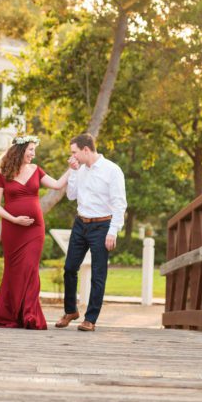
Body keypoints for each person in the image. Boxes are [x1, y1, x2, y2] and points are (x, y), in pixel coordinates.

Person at [0, 135, 70, 329]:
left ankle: (29, 315)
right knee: (14, 270)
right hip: (12, 229)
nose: (33, 154)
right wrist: (14, 219)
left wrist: (72, 168)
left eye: (34, 150)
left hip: (34, 229)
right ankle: (9, 314)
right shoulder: (2, 173)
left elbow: (58, 184)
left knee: (30, 269)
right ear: (20, 150)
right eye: (31, 150)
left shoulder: (36, 170)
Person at [55, 132, 126, 332]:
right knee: (69, 268)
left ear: (86, 150)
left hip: (102, 226)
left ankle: (90, 319)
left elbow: (119, 203)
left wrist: (113, 232)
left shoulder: (112, 170)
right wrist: (74, 171)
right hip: (80, 223)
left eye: (74, 152)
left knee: (98, 273)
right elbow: (71, 196)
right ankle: (70, 311)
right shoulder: (80, 169)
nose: (72, 156)